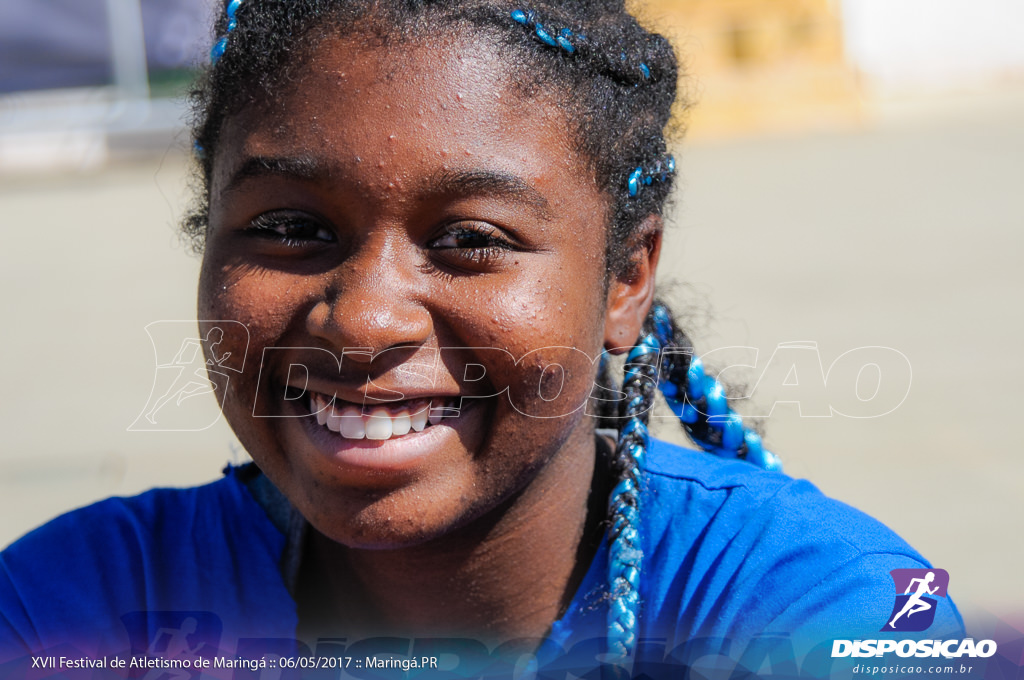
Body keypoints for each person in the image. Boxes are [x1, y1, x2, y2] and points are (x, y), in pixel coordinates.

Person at [0, 1, 963, 676]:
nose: (365, 318)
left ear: (625, 278)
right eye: (292, 227)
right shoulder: (70, 605)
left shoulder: (821, 610)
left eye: (471, 240)